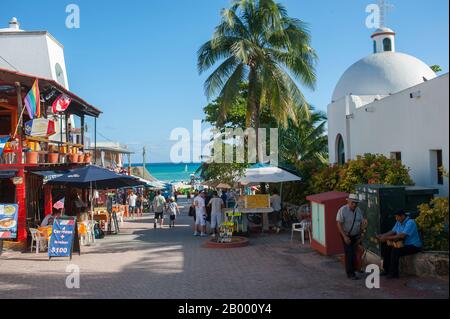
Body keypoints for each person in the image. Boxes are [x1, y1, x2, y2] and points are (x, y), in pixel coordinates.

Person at [376, 209, 422, 279]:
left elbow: (402, 235)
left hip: (414, 246)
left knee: (395, 250)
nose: (396, 218)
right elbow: (392, 231)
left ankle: (394, 273)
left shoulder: (410, 222)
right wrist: (382, 235)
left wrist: (386, 238)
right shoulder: (398, 222)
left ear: (403, 216)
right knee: (387, 248)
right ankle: (386, 270)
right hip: (404, 245)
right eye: (395, 217)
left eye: (397, 217)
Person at [336, 194, 367, 280]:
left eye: (356, 203)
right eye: (353, 202)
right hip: (346, 234)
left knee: (355, 252)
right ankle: (350, 273)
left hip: (356, 235)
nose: (354, 204)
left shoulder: (358, 210)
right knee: (349, 253)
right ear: (348, 201)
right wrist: (345, 236)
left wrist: (361, 233)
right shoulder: (342, 210)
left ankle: (356, 268)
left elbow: (361, 222)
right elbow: (339, 224)